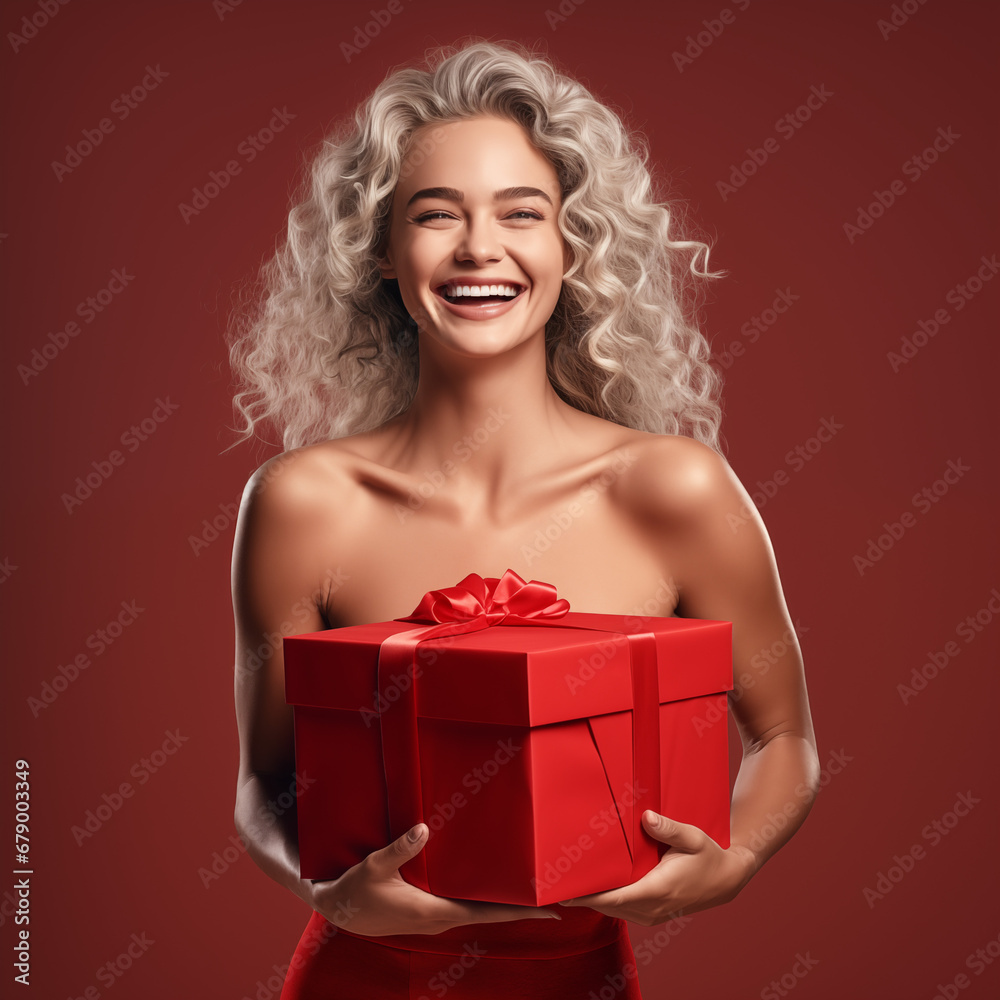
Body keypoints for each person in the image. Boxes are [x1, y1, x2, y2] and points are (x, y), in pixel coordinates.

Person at [228, 38, 820, 999]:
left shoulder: (674, 489)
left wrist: (735, 858)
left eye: (521, 214)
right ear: (380, 250)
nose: (479, 248)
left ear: (571, 246)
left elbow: (787, 738)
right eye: (434, 215)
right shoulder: (301, 503)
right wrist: (332, 894)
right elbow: (266, 786)